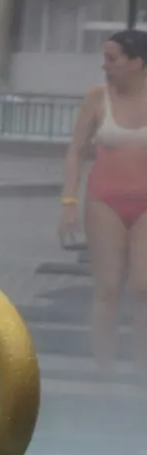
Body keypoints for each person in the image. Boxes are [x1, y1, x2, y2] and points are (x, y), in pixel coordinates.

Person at [58, 30, 147, 372]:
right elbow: (75, 151)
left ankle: (142, 370)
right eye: (104, 58)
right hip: (105, 201)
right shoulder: (97, 98)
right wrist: (68, 202)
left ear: (137, 63)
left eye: (112, 59)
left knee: (143, 287)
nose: (104, 65)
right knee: (108, 288)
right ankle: (104, 369)